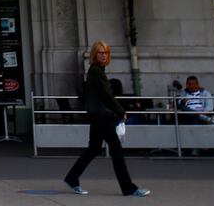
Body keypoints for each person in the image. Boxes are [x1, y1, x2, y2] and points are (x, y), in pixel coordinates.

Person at [63, 41, 151, 197]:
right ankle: (129, 188)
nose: (104, 55)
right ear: (94, 54)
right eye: (100, 53)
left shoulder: (96, 71)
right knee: (116, 151)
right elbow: (106, 95)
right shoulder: (96, 71)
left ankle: (72, 177)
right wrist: (121, 111)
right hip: (102, 117)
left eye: (106, 53)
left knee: (94, 149)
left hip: (97, 116)